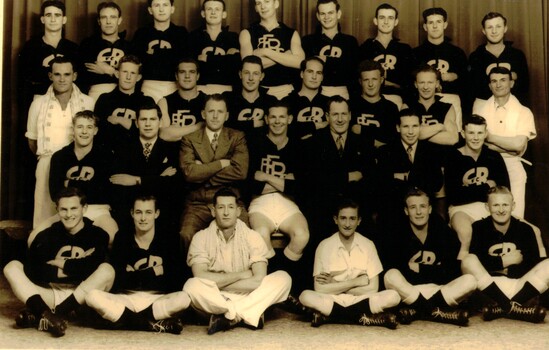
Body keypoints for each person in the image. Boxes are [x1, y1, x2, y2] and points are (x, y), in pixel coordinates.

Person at [3, 187, 113, 337]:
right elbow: (34, 271)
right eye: (63, 209)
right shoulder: (46, 235)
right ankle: (47, 314)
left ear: (84, 208)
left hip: (84, 295)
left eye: (74, 208)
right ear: (57, 210)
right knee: (12, 267)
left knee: (107, 270)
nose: (68, 215)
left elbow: (94, 268)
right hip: (53, 293)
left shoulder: (98, 234)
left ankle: (44, 314)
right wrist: (78, 266)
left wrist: (61, 263)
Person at [183, 188, 291, 334]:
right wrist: (242, 274)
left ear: (238, 211)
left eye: (231, 207)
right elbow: (200, 276)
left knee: (283, 278)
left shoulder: (252, 236)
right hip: (216, 296)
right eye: (221, 207)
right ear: (213, 211)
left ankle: (229, 316)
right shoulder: (201, 238)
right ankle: (248, 313)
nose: (226, 212)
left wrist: (217, 281)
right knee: (191, 285)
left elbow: (258, 280)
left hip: (247, 294)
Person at [85, 195, 190, 334]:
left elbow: (175, 279)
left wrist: (134, 275)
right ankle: (148, 322)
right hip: (127, 298)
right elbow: (118, 278)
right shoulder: (122, 237)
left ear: (156, 214)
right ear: (132, 213)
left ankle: (125, 321)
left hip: (157, 298)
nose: (143, 218)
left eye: (148, 212)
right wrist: (155, 272)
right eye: (139, 212)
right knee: (91, 296)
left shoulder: (170, 238)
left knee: (184, 299)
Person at [299, 198, 400, 329]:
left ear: (359, 221)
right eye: (343, 218)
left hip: (360, 299)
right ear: (336, 219)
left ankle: (332, 316)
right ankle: (362, 317)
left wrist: (335, 285)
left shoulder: (368, 245)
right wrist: (355, 282)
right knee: (305, 296)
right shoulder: (324, 246)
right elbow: (319, 288)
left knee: (394, 296)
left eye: (352, 218)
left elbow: (373, 288)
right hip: (335, 299)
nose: (347, 224)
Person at [382, 188, 476, 326]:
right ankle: (437, 311)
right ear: (406, 211)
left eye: (423, 206)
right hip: (409, 291)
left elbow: (451, 270)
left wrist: (419, 268)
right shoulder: (397, 231)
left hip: (438, 290)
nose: (419, 212)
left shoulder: (440, 228)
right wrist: (434, 270)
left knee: (471, 281)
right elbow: (393, 268)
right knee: (390, 275)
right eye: (413, 207)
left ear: (430, 209)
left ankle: (418, 310)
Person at [248, 99, 309, 293]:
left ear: (289, 119)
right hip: (260, 202)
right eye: (273, 116)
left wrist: (265, 177)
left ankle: (283, 276)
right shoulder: (256, 143)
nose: (277, 121)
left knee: (302, 235)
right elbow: (250, 183)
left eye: (282, 116)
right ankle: (276, 281)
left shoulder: (298, 146)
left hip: (287, 203)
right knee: (261, 234)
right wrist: (284, 182)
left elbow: (299, 186)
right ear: (266, 119)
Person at [26, 57, 95, 228]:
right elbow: (32, 141)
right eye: (57, 74)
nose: (62, 79)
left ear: (75, 76)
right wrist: (52, 159)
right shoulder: (38, 103)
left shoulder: (88, 102)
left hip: (77, 164)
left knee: (75, 215)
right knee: (45, 218)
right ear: (50, 76)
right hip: (47, 163)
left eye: (67, 74)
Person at [462, 186, 548, 323]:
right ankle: (514, 308)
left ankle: (502, 308)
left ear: (513, 206)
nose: (501, 210)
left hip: (520, 286)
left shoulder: (526, 229)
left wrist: (508, 270)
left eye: (505, 205)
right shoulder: (479, 227)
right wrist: (503, 262)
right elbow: (476, 262)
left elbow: (532, 263)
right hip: (490, 287)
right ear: (487, 207)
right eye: (496, 205)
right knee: (468, 260)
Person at [179, 94, 249, 250]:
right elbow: (189, 173)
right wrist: (221, 163)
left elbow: (240, 171)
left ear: (227, 115)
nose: (215, 116)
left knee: (247, 233)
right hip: (199, 203)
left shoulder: (236, 137)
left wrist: (203, 171)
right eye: (211, 111)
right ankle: (193, 274)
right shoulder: (189, 139)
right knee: (186, 234)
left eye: (220, 112)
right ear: (204, 114)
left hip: (230, 201)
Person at [303, 96, 376, 243]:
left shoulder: (363, 143)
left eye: (344, 114)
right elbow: (313, 180)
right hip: (324, 209)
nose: (340, 119)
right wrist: (347, 177)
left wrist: (331, 177)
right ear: (327, 116)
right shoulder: (313, 143)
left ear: (350, 115)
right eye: (335, 114)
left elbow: (370, 178)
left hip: (355, 208)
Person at [43, 111, 118, 244]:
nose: (84, 132)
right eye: (80, 127)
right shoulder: (59, 157)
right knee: (33, 239)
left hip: (98, 211)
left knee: (112, 237)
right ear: (73, 130)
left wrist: (69, 184)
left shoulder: (106, 156)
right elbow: (55, 193)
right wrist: (92, 186)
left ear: (95, 130)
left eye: (89, 127)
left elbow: (107, 192)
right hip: (67, 211)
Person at [110, 99, 183, 233]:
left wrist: (137, 180)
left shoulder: (172, 149)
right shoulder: (123, 147)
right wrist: (158, 178)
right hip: (131, 211)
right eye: (143, 119)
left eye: (153, 119)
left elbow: (173, 185)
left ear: (160, 122)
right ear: (137, 123)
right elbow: (118, 183)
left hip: (162, 211)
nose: (148, 124)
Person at [473, 66, 536, 218]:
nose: (498, 84)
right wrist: (508, 145)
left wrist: (489, 137)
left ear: (512, 83)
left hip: (513, 166)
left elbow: (518, 146)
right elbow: (476, 144)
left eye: (503, 80)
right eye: (494, 81)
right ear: (489, 85)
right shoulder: (480, 112)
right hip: (487, 165)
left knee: (515, 215)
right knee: (487, 214)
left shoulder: (524, 112)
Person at [445, 115, 509, 259]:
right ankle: (462, 273)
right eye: (471, 133)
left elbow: (504, 190)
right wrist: (486, 187)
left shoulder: (494, 156)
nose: (475, 137)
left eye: (480, 133)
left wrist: (468, 191)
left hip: (489, 207)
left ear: (485, 134)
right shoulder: (453, 157)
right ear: (463, 133)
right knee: (466, 233)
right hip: (461, 209)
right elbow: (455, 196)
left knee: (532, 229)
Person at [376, 109, 443, 224]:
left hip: (423, 210)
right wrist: (420, 177)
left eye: (415, 126)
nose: (411, 132)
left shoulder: (431, 150)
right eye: (406, 126)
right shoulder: (385, 151)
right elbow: (383, 185)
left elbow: (436, 183)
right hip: (395, 210)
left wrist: (405, 177)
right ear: (398, 128)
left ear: (420, 127)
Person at [18, 0, 79, 107]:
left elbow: (78, 80)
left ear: (64, 19)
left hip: (68, 102)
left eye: (57, 15)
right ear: (42, 19)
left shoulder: (73, 48)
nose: (53, 19)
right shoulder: (31, 47)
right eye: (48, 15)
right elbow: (24, 83)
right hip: (40, 102)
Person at [239, 0, 305, 99]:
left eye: (267, 1)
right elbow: (249, 65)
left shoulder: (291, 33)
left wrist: (264, 52)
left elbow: (300, 62)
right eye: (258, 3)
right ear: (256, 8)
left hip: (286, 91)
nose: (263, 6)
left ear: (276, 4)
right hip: (259, 91)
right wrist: (286, 57)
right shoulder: (247, 32)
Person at [358, 3, 416, 108]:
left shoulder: (404, 49)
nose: (386, 22)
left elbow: (409, 83)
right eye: (382, 17)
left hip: (397, 99)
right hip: (369, 100)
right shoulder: (365, 48)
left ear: (396, 22)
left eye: (390, 18)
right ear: (375, 21)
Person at [131, 0, 188, 102]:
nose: (161, 9)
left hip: (174, 85)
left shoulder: (181, 33)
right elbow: (137, 63)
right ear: (150, 10)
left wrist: (153, 54)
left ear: (172, 9)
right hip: (148, 85)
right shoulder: (142, 33)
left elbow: (183, 62)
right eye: (157, 5)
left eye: (165, 5)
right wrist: (169, 55)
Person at [413, 7, 468, 112]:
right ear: (425, 26)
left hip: (450, 100)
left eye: (438, 22)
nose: (434, 26)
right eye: (430, 22)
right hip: (423, 102)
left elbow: (466, 83)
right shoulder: (415, 53)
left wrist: (455, 76)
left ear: (445, 24)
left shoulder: (457, 53)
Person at [469, 12, 529, 107]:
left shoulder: (517, 55)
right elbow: (472, 89)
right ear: (484, 31)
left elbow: (524, 88)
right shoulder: (476, 56)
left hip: (512, 104)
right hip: (484, 104)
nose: (494, 31)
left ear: (505, 28)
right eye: (489, 27)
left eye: (498, 26)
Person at [301, 0, 359, 99]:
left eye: (330, 13)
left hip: (343, 95)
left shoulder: (350, 41)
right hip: (315, 95)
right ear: (318, 16)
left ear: (338, 14)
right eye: (323, 14)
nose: (326, 17)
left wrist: (325, 60)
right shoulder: (307, 41)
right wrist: (338, 63)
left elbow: (352, 72)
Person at [94, 54, 147, 152]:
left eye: (132, 73)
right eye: (125, 72)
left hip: (137, 155)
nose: (128, 77)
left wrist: (120, 120)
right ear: (117, 74)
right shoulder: (104, 99)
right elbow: (99, 132)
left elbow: (148, 132)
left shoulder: (146, 102)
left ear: (138, 77)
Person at [79, 1, 131, 100]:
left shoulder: (129, 46)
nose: (108, 22)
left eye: (113, 17)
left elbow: (132, 77)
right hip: (95, 95)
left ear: (119, 20)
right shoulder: (88, 44)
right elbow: (85, 77)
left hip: (123, 95)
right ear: (99, 21)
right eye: (104, 17)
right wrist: (118, 73)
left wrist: (109, 71)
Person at [188, 0, 240, 94]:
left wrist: (207, 58)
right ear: (203, 13)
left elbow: (235, 65)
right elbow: (192, 66)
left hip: (227, 89)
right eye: (209, 9)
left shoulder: (233, 38)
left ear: (224, 14)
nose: (213, 12)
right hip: (200, 89)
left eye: (217, 9)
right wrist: (225, 59)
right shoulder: (193, 37)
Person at [350, 59, 399, 148]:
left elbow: (391, 140)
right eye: (366, 80)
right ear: (360, 82)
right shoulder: (351, 105)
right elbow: (350, 140)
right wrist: (376, 140)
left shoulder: (390, 107)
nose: (370, 84)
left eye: (374, 79)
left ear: (381, 80)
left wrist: (362, 130)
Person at [158, 58, 205, 143]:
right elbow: (164, 134)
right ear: (176, 76)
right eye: (182, 72)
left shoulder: (208, 101)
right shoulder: (164, 102)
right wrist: (198, 127)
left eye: (192, 72)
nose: (187, 76)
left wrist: (176, 132)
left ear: (198, 76)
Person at [225, 55, 271, 138]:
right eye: (247, 73)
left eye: (255, 74)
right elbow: (224, 126)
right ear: (240, 74)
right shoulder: (228, 99)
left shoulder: (270, 100)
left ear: (261, 76)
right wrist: (253, 124)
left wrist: (241, 125)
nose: (251, 78)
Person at [287, 56, 329, 140]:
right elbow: (285, 130)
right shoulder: (288, 101)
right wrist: (316, 126)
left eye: (319, 73)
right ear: (302, 74)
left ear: (322, 77)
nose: (314, 77)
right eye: (310, 71)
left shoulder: (329, 102)